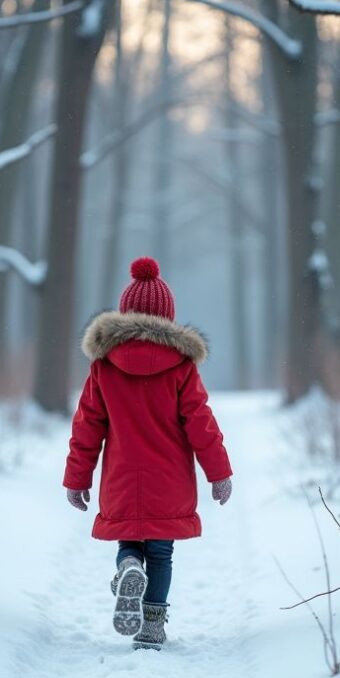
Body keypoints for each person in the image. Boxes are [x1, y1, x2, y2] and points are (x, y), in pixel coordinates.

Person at [63, 257, 233, 650]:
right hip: (169, 481)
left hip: (122, 478)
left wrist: (77, 479)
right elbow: (200, 423)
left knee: (131, 541)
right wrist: (219, 473)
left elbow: (87, 426)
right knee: (161, 552)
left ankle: (127, 566)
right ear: (168, 318)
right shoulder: (182, 367)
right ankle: (152, 625)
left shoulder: (104, 367)